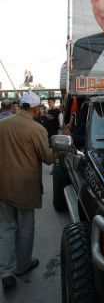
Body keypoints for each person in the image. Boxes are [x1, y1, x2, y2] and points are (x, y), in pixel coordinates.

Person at [0, 90, 57, 291]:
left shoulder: (3, 125)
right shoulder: (37, 129)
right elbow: (48, 158)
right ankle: (22, 266)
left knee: (5, 228)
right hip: (25, 188)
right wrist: (59, 144)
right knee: (25, 228)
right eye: (39, 108)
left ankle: (6, 272)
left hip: (3, 187)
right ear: (34, 109)